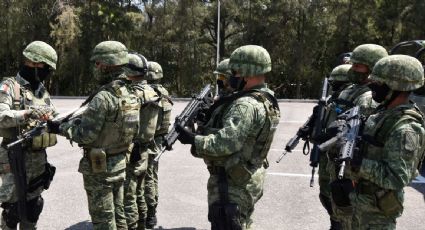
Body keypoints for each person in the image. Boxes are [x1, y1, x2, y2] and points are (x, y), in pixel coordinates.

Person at [176, 45, 280, 229]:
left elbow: (226, 142)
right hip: (245, 175)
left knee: (227, 223)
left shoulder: (245, 105)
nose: (232, 76)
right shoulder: (266, 97)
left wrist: (192, 139)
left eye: (235, 71)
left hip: (232, 183)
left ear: (248, 72)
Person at [48, 41, 140, 230]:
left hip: (100, 169)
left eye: (97, 63)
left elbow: (86, 136)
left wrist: (60, 128)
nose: (96, 68)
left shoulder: (103, 97)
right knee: (119, 215)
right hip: (120, 162)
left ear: (107, 65)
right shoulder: (131, 93)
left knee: (103, 220)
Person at [347, 55, 425, 229]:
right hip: (362, 204)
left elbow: (397, 177)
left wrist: (359, 163)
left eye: (379, 83)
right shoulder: (384, 113)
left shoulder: (405, 128)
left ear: (396, 87)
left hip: (377, 214)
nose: (372, 85)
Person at [327, 44, 388, 230]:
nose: (352, 70)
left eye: (358, 66)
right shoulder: (352, 90)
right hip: (340, 164)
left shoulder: (369, 98)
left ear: (372, 67)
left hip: (353, 172)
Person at [0, 41, 58, 230]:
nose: (46, 71)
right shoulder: (10, 87)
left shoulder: (41, 90)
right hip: (15, 157)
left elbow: (53, 116)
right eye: (44, 67)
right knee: (12, 211)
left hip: (38, 159)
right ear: (32, 63)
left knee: (34, 207)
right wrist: (26, 114)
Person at [123, 53, 159, 230]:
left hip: (132, 149)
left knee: (129, 196)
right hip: (145, 148)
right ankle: (143, 224)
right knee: (140, 191)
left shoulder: (133, 94)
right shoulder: (153, 91)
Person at [318, 64, 352, 230]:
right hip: (329, 157)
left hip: (342, 159)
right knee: (326, 195)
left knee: (340, 200)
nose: (333, 86)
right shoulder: (332, 100)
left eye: (336, 82)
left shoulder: (356, 100)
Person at [141, 61, 173, 229]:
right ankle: (151, 212)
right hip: (159, 139)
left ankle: (148, 214)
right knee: (152, 176)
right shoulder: (164, 92)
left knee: (145, 176)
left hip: (149, 140)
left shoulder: (149, 93)